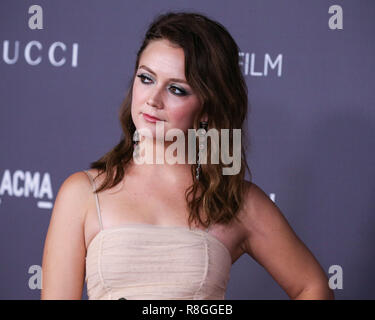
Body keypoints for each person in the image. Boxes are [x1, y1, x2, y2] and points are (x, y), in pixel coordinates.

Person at [41, 11, 334, 300]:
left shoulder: (237, 202)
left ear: (207, 108)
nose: (153, 100)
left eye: (176, 89)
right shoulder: (83, 193)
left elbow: (312, 287)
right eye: (146, 78)